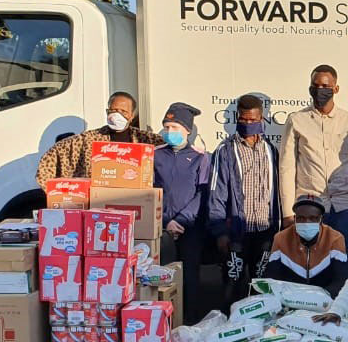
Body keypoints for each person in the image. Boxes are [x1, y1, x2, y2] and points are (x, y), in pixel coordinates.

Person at [279, 65, 348, 271]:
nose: (320, 90)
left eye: (326, 86)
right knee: (310, 266)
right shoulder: (296, 120)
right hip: (310, 208)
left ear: (336, 89)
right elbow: (286, 168)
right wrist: (287, 214)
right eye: (316, 86)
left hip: (347, 207)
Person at [209, 94, 281, 308]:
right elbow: (216, 193)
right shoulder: (226, 150)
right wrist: (220, 231)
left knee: (262, 286)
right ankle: (231, 329)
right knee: (234, 287)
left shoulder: (271, 150)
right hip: (236, 233)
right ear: (237, 118)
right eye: (243, 120)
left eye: (253, 120)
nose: (248, 124)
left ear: (262, 119)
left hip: (265, 231)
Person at [153, 102, 211, 323]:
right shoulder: (155, 155)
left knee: (190, 278)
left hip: (191, 228)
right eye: (166, 127)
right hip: (163, 229)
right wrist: (166, 221)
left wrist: (182, 220)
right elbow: (150, 192)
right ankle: (165, 322)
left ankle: (190, 321)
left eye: (175, 127)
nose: (170, 132)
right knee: (164, 278)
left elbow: (202, 193)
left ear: (188, 130)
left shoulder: (200, 157)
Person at [36, 91, 162, 186]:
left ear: (131, 116)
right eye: (113, 110)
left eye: (123, 111)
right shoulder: (88, 140)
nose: (116, 115)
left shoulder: (144, 139)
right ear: (107, 111)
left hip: (132, 199)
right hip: (99, 202)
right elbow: (50, 161)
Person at [264, 195, 348, 296]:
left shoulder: (335, 238)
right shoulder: (281, 238)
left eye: (313, 218)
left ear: (321, 219)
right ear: (295, 218)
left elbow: (341, 280)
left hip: (324, 299)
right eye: (301, 218)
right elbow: (273, 278)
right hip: (290, 299)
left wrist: (317, 298)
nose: (306, 222)